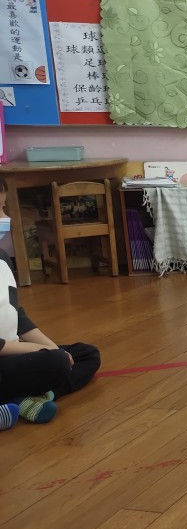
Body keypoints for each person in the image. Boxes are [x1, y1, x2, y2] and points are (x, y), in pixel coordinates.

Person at [0, 179, 101, 430]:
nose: (4, 217)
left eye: (3, 208)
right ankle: (25, 396)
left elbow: (16, 314)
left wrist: (52, 348)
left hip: (14, 351)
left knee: (86, 354)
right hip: (5, 354)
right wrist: (44, 352)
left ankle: (28, 399)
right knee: (55, 363)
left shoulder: (2, 258)